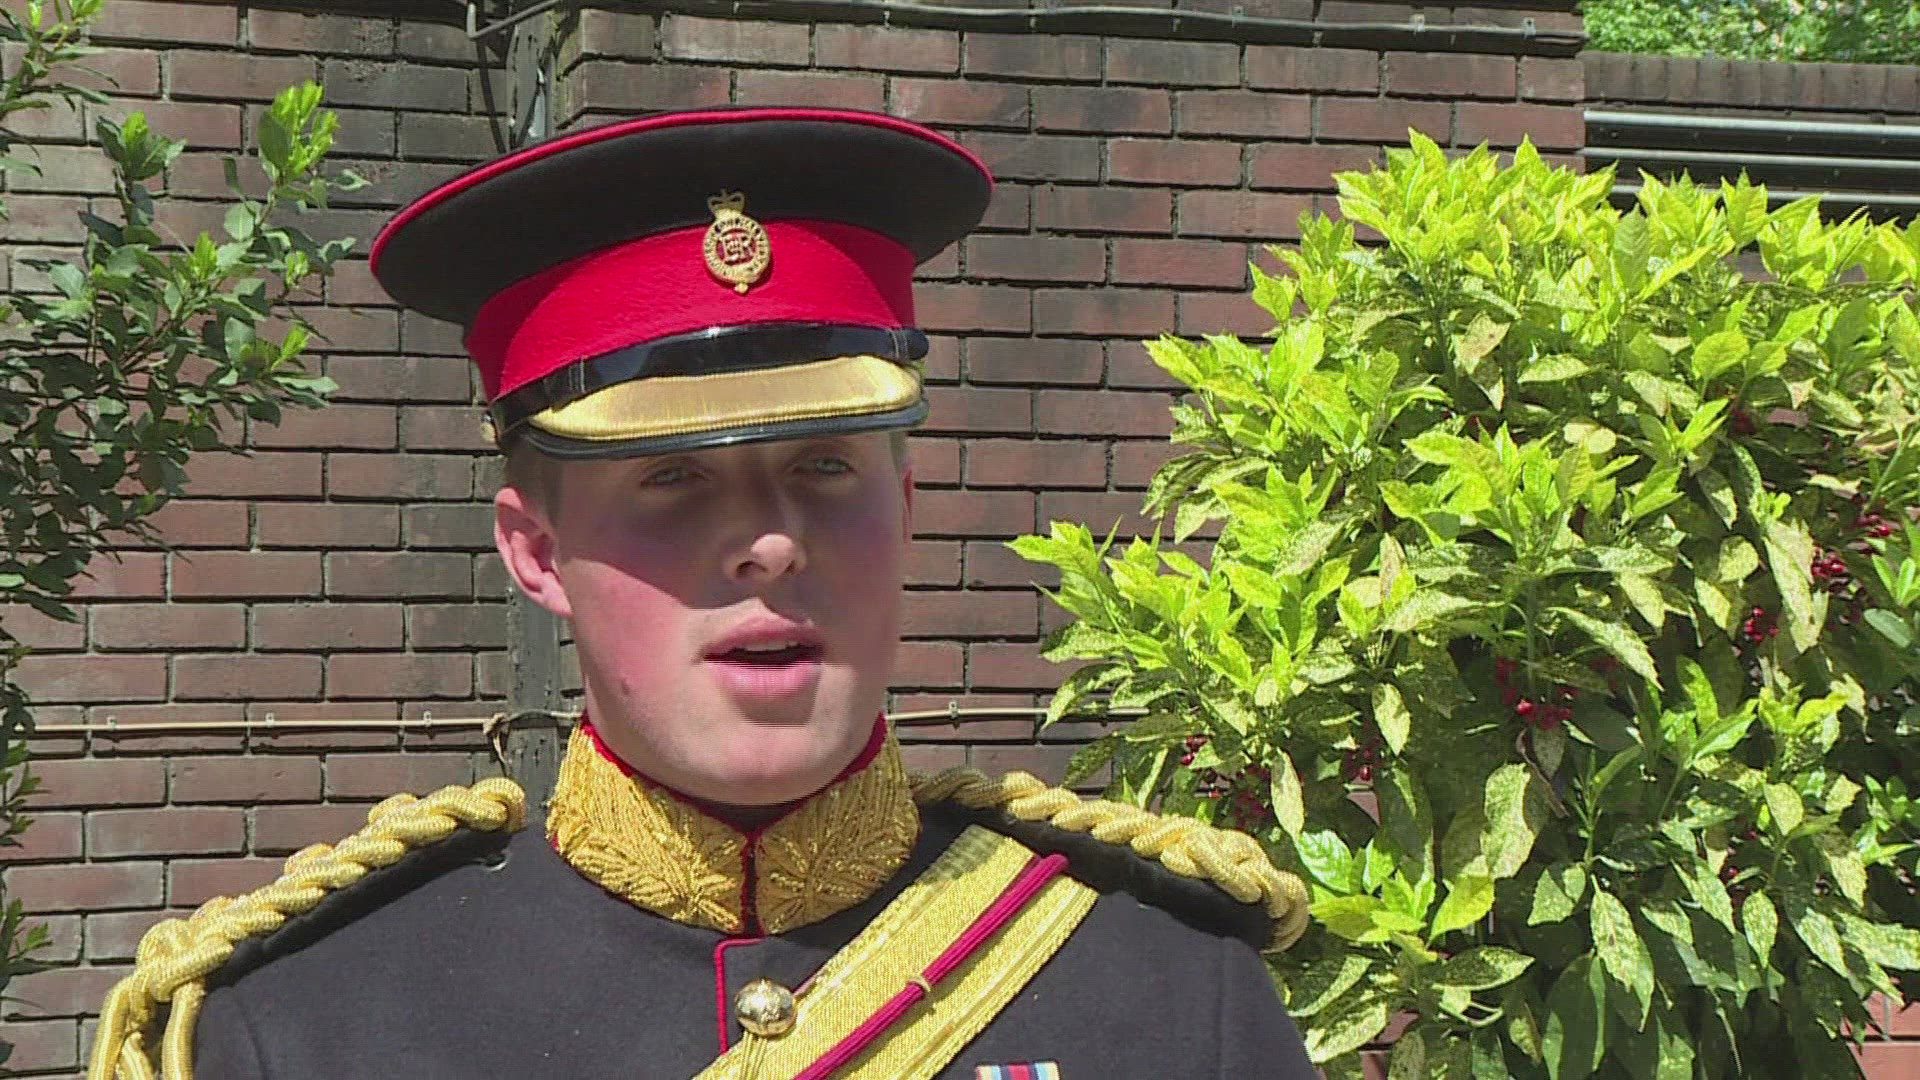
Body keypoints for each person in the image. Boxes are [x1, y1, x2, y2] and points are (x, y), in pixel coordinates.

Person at [88, 107, 1317, 1080]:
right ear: (535, 553)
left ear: (907, 510)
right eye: (671, 478)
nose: (771, 544)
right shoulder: (307, 1021)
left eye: (824, 468)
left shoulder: (1169, 986)